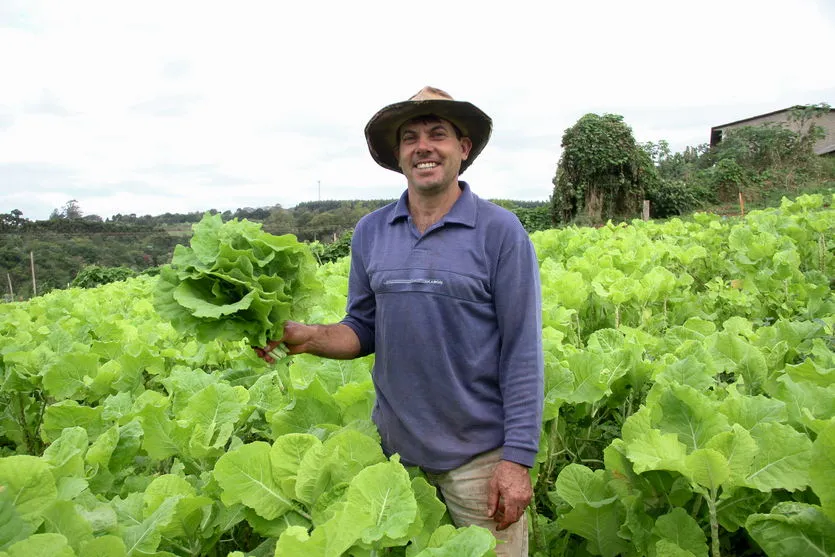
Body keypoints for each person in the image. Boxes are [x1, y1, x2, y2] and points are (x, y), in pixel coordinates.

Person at [257, 86, 544, 556]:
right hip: (395, 459)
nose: (423, 146)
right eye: (410, 138)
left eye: (438, 134)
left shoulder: (500, 232)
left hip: (480, 462)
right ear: (398, 154)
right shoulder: (371, 231)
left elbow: (523, 352)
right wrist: (306, 337)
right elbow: (362, 329)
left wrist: (517, 460)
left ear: (463, 148)